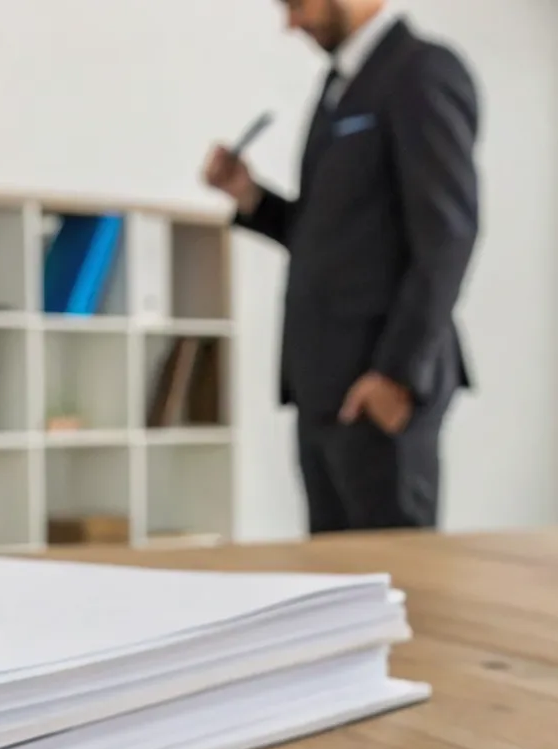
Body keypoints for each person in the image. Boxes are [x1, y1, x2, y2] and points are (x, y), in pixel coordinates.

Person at [203, 0, 480, 534]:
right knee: (337, 589)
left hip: (378, 390)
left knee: (400, 585)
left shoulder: (422, 71)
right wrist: (248, 194)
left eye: (297, 5)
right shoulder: (337, 89)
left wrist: (396, 376)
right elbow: (328, 237)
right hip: (322, 387)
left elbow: (449, 233)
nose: (292, 24)